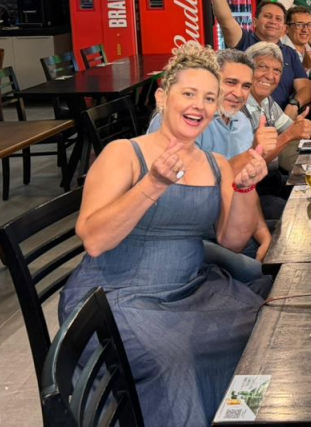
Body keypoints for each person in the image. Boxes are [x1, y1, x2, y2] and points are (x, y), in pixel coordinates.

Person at [60, 43, 272, 424]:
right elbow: (93, 239)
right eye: (188, 94)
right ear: (162, 98)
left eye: (209, 98)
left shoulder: (216, 164)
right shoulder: (124, 154)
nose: (199, 106)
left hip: (189, 290)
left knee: (263, 328)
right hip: (119, 296)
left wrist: (244, 188)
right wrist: (153, 184)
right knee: (177, 360)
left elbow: (232, 240)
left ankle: (238, 419)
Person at [146, 47, 280, 239]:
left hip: (229, 223)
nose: (238, 93)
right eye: (230, 83)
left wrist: (261, 232)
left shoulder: (241, 121)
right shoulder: (184, 119)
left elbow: (245, 185)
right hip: (181, 231)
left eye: (245, 86)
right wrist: (251, 152)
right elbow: (191, 188)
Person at [208, 0, 311, 116]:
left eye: (278, 19)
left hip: (280, 119)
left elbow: (305, 87)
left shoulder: (289, 53)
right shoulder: (243, 41)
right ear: (255, 22)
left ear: (284, 28)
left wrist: (294, 104)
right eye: (268, 16)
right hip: (243, 117)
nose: (273, 21)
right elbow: (226, 20)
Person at [242, 41, 311, 217]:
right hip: (253, 192)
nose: (270, 76)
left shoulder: (266, 100)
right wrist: (290, 135)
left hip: (273, 180)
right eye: (262, 67)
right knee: (304, 215)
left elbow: (290, 127)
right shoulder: (238, 107)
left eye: (277, 71)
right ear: (247, 69)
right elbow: (249, 167)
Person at [282, 5, 311, 87]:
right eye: (299, 24)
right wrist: (305, 66)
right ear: (287, 29)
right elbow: (285, 86)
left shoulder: (306, 45)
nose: (305, 29)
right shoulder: (281, 51)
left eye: (309, 24)